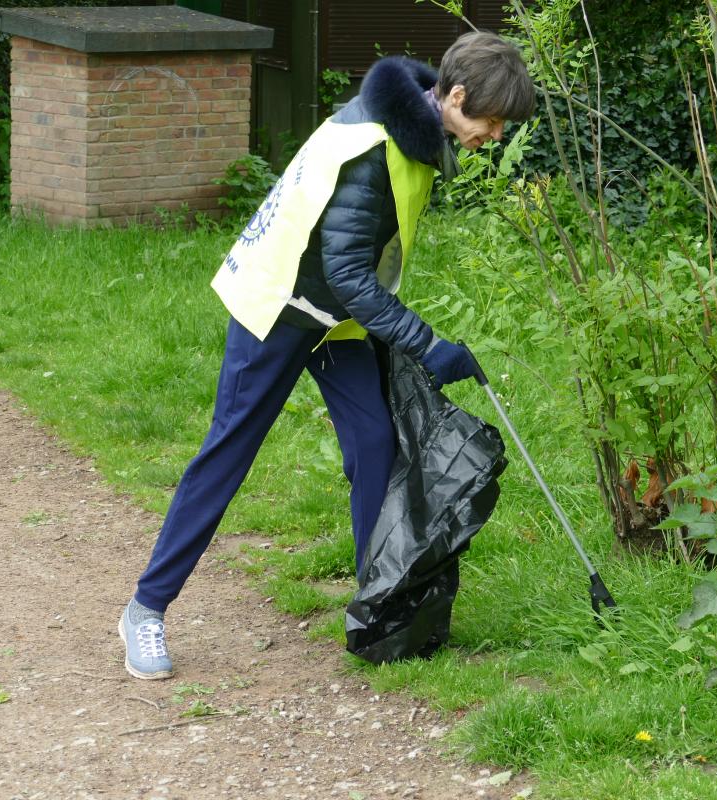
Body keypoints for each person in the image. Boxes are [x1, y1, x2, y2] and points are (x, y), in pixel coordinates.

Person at [118, 32, 536, 680]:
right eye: (491, 121)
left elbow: (358, 271)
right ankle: (146, 609)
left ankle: (382, 606)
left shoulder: (415, 137)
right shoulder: (373, 148)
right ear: (455, 98)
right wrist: (429, 345)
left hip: (335, 318)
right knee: (228, 454)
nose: (495, 135)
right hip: (277, 308)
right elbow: (348, 273)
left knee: (374, 445)